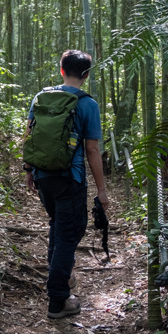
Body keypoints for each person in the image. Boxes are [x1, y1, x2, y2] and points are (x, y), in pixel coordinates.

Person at [25, 49, 109, 319]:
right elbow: (92, 151)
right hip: (70, 178)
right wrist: (102, 190)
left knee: (57, 225)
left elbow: (29, 134)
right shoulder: (88, 104)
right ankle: (58, 299)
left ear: (61, 70)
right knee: (68, 235)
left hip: (43, 176)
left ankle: (59, 276)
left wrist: (29, 170)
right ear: (86, 74)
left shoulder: (41, 96)